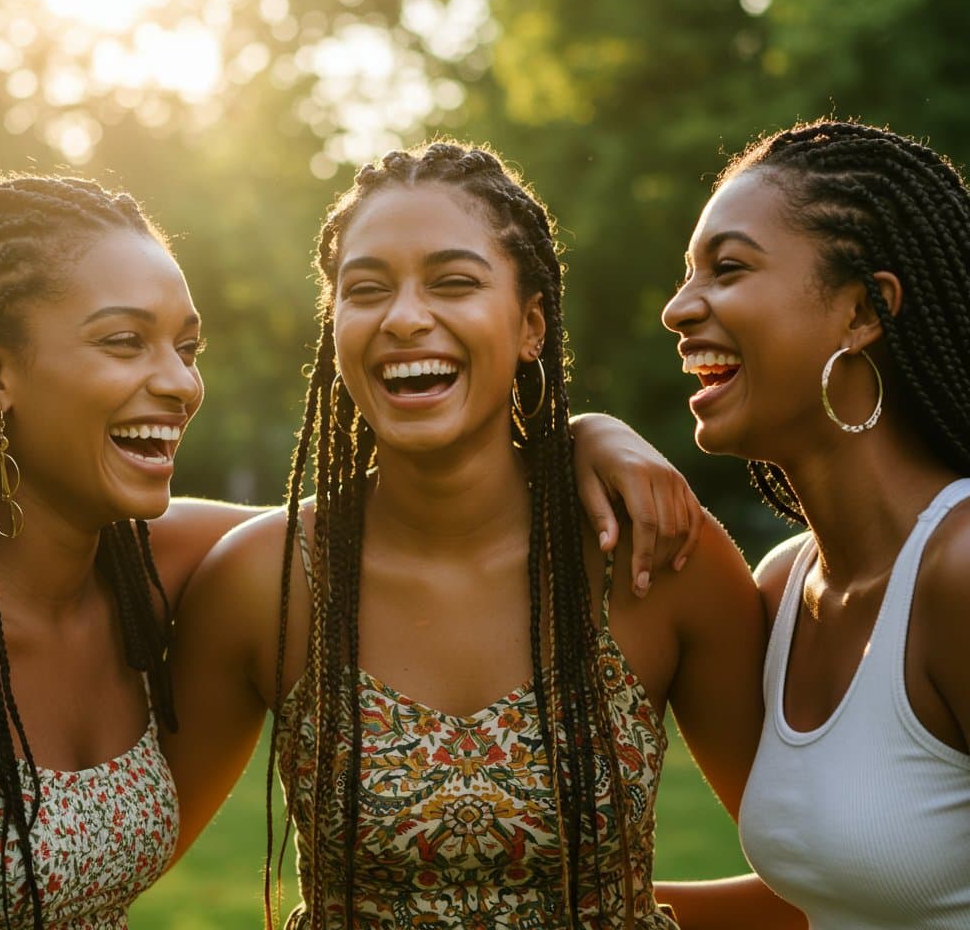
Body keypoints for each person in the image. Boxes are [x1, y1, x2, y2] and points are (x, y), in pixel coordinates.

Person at [0, 173, 702, 930]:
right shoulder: (226, 577)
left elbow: (411, 521)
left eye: (187, 348)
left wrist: (580, 435)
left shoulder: (181, 559)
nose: (179, 383)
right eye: (123, 341)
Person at [164, 141, 766, 929]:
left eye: (453, 282)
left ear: (530, 326)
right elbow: (119, 859)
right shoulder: (266, 583)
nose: (406, 317)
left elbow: (825, 866)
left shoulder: (655, 557)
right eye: (367, 289)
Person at [650, 119, 970, 928]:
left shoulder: (960, 572)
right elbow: (824, 903)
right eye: (689, 275)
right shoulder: (784, 585)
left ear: (863, 311)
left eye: (726, 269)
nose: (678, 308)